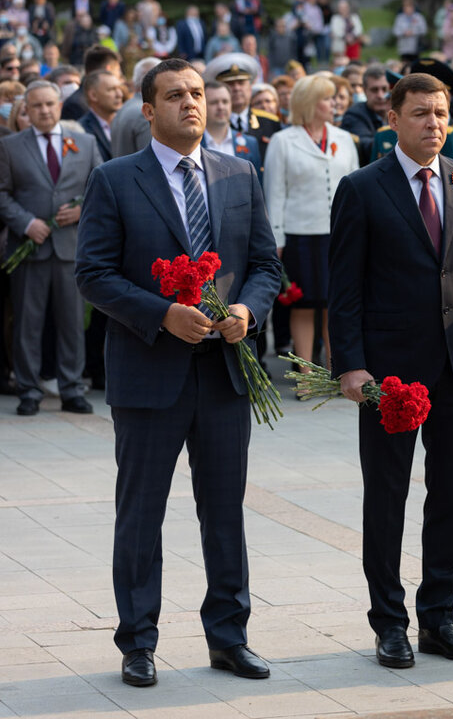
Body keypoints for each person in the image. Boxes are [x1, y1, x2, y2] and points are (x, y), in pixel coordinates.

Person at [75, 58, 281, 686]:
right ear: (148, 110)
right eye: (175, 95)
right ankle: (137, 641)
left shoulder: (240, 173)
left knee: (225, 511)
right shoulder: (114, 179)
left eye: (197, 93)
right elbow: (94, 274)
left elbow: (267, 266)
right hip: (148, 373)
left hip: (224, 373)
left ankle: (229, 636)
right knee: (141, 512)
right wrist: (162, 314)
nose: (191, 104)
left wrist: (247, 307)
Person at [328, 72, 453, 668]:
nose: (434, 123)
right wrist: (351, 366)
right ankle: (388, 623)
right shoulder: (362, 187)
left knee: (449, 496)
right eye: (421, 113)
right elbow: (345, 288)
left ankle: (439, 618)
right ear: (393, 119)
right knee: (386, 496)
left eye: (441, 114)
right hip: (390, 373)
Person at [0, 80, 103, 416]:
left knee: (72, 322)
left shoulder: (85, 143)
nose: (44, 111)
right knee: (28, 322)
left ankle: (71, 388)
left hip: (71, 248)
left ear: (60, 106)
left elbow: (101, 189)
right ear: (26, 110)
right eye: (37, 106)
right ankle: (29, 390)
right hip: (29, 246)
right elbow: (2, 193)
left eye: (50, 104)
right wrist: (26, 223)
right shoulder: (11, 146)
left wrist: (81, 208)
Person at [264, 74, 358, 372]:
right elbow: (275, 194)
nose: (334, 103)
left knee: (337, 304)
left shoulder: (343, 138)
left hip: (340, 234)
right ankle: (305, 373)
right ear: (310, 103)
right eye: (328, 98)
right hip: (300, 235)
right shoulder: (283, 140)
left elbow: (356, 188)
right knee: (303, 305)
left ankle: (337, 370)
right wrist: (276, 240)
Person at [78, 69, 125, 162]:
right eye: (111, 89)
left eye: (119, 88)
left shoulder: (127, 122)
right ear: (93, 95)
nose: (119, 94)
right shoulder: (81, 129)